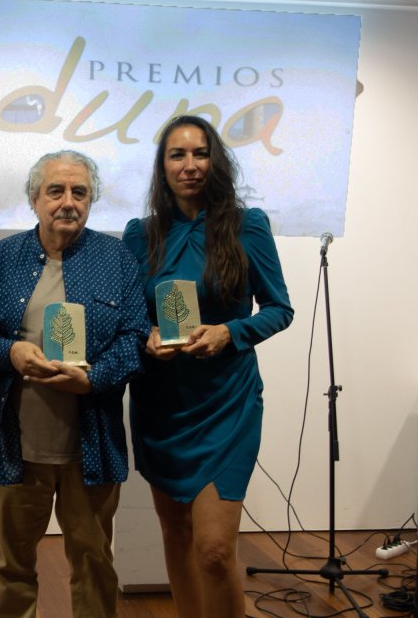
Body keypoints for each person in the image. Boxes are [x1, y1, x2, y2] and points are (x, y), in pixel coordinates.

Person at [0, 150, 148, 617]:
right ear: (34, 198)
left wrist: (93, 380)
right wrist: (11, 352)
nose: (68, 202)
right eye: (56, 191)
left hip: (91, 444)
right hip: (15, 445)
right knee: (10, 564)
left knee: (93, 562)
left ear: (92, 200)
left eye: (79, 192)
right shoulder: (2, 258)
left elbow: (135, 339)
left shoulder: (118, 260)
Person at [122, 115, 294, 617]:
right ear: (163, 166)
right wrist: (144, 338)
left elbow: (280, 309)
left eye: (200, 154)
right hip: (162, 404)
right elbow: (129, 315)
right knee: (175, 535)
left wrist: (230, 332)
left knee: (215, 551)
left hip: (226, 404)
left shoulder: (248, 225)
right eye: (178, 155)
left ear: (216, 161)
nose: (190, 165)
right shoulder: (141, 234)